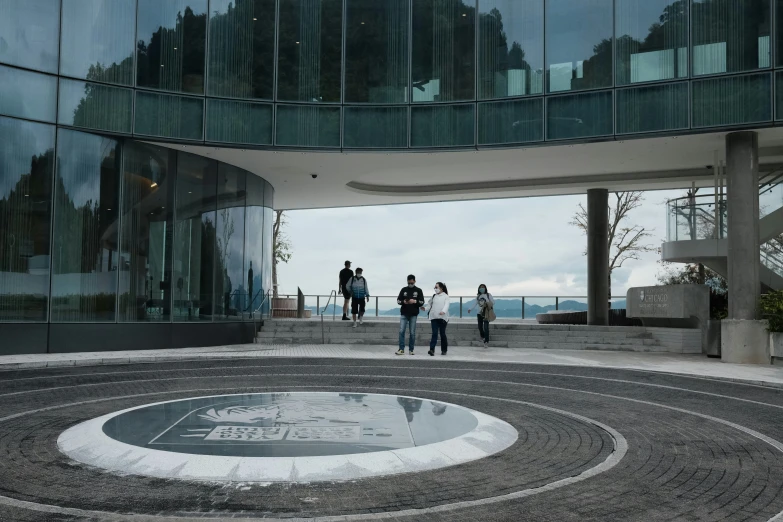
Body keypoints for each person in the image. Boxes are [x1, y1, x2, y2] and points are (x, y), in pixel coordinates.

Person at [395, 275, 425, 356]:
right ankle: (401, 349)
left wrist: (414, 301)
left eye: (412, 282)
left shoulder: (418, 290)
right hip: (404, 313)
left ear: (415, 281)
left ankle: (411, 349)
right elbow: (398, 300)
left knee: (412, 332)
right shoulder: (403, 289)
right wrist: (404, 301)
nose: (410, 283)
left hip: (413, 314)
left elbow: (422, 301)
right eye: (409, 282)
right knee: (401, 331)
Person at [422, 282, 450, 356]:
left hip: (443, 318)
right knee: (434, 333)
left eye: (436, 287)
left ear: (441, 288)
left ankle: (444, 350)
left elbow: (447, 305)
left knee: (442, 334)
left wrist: (443, 311)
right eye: (435, 287)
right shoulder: (434, 296)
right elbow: (429, 305)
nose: (435, 289)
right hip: (434, 317)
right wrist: (424, 308)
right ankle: (432, 349)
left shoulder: (446, 296)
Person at [467, 284, 495, 348]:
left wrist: (487, 301)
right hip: (479, 313)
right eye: (480, 287)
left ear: (485, 288)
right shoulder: (478, 296)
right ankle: (482, 336)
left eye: (483, 287)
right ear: (479, 289)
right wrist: (470, 309)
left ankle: (486, 342)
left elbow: (493, 302)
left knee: (486, 327)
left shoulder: (488, 295)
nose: (482, 289)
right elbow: (475, 303)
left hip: (486, 313)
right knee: (480, 326)